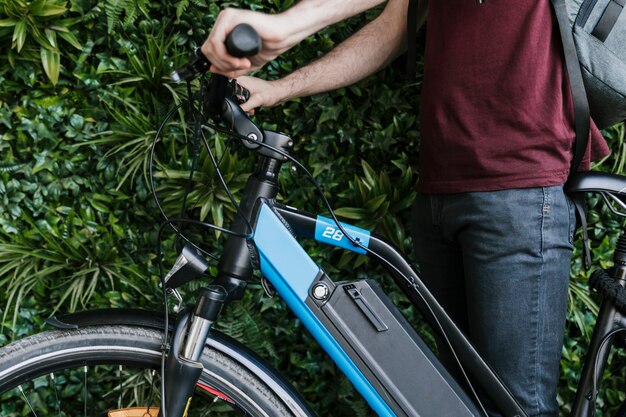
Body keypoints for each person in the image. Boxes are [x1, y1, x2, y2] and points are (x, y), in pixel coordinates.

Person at [202, 1, 610, 416]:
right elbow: (392, 28)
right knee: (457, 406)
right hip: (438, 191)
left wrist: (286, 25)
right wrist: (282, 88)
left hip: (518, 190)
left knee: (519, 409)